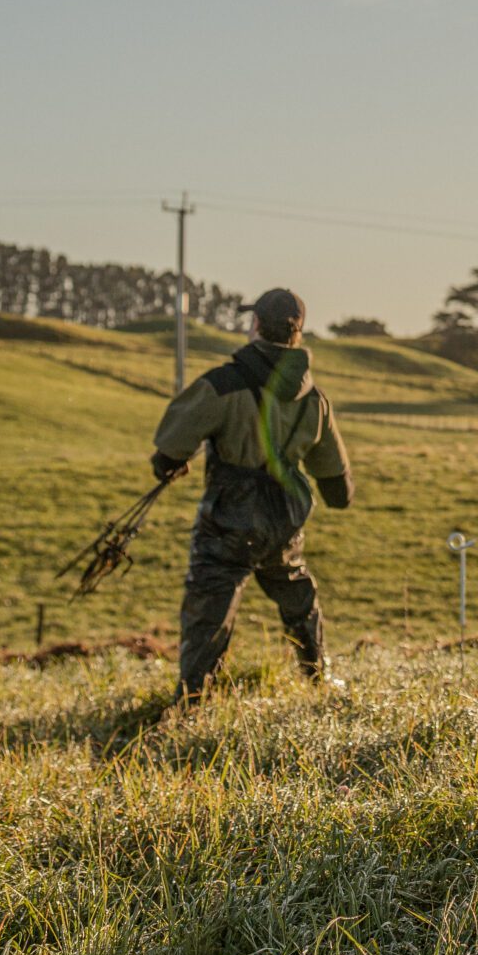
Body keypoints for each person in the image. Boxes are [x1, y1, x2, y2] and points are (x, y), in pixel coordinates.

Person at [149, 286, 354, 700]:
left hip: (231, 513)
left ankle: (193, 700)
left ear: (256, 324)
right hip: (284, 516)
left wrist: (170, 464)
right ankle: (319, 679)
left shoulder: (225, 383)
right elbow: (338, 486)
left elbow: (169, 450)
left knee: (210, 602)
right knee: (297, 591)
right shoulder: (315, 399)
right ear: (298, 334)